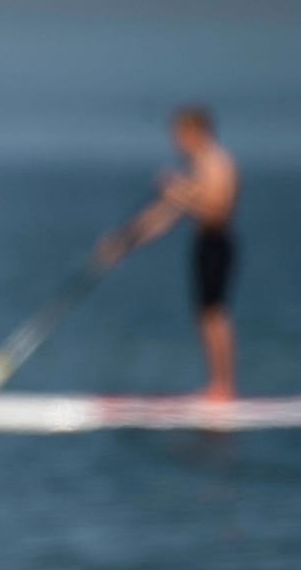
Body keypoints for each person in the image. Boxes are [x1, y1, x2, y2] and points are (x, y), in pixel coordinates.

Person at [95, 105, 241, 400]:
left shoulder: (218, 164)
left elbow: (217, 212)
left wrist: (179, 192)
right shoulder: (196, 167)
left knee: (214, 314)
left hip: (218, 242)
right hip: (203, 244)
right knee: (204, 315)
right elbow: (162, 216)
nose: (176, 141)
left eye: (179, 134)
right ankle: (217, 384)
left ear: (195, 132)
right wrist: (124, 241)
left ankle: (223, 387)